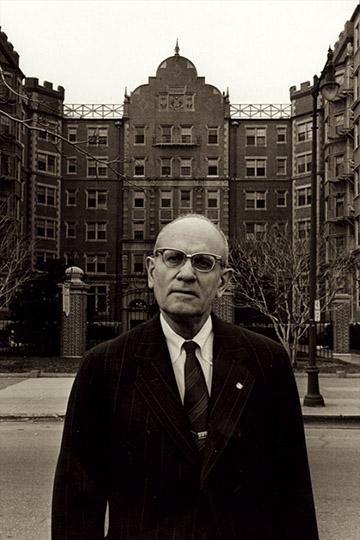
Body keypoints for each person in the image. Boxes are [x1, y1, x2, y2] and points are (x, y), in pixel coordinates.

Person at [52, 214, 319, 540]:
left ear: (223, 281)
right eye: (174, 258)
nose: (187, 273)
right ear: (152, 271)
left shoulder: (267, 362)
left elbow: (293, 492)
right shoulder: (105, 366)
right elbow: (76, 501)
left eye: (204, 263)